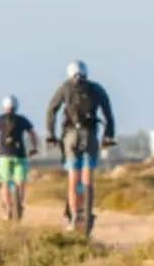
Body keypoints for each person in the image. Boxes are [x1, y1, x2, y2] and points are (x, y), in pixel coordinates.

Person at [45, 60, 116, 232]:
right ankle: (87, 211)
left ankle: (75, 216)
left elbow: (51, 110)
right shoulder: (96, 88)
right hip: (89, 135)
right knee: (87, 179)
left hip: (70, 135)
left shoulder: (65, 87)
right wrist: (108, 135)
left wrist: (51, 134)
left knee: (73, 178)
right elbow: (108, 112)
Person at [0, 95, 39, 218]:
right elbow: (32, 134)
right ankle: (19, 205)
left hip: (4, 156)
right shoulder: (22, 120)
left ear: (4, 106)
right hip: (20, 155)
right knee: (20, 182)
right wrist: (34, 148)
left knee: (5, 182)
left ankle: (7, 208)